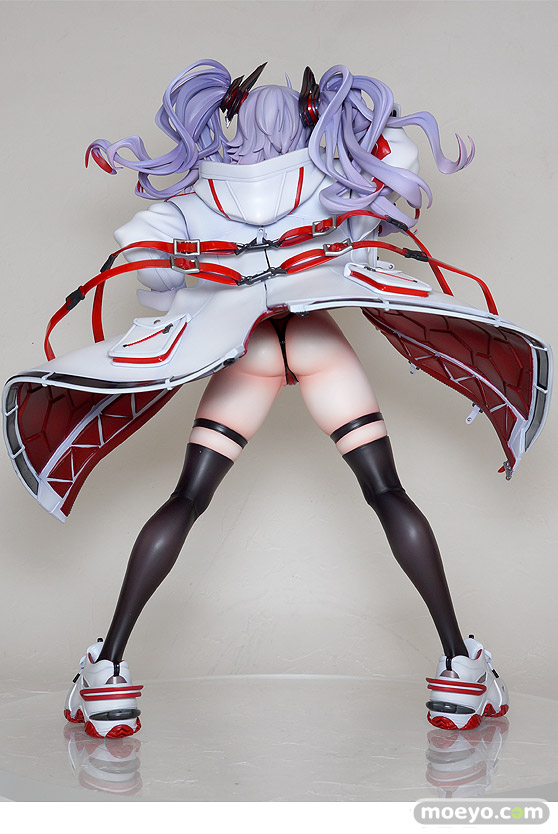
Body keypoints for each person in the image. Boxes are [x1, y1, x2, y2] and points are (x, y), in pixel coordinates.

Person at [10, 60, 549, 738]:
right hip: (316, 338)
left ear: (231, 119)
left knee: (187, 498)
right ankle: (458, 667)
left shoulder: (194, 197)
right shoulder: (329, 177)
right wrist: (346, 124)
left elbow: (147, 268)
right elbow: (399, 166)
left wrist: (207, 273)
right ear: (306, 119)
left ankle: (107, 672)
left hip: (248, 347)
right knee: (386, 491)